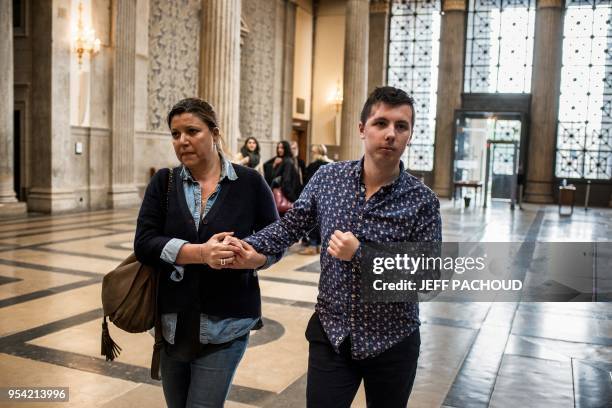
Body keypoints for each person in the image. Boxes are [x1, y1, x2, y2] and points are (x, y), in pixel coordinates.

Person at [225, 87, 441, 407]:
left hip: (392, 341)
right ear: (362, 128)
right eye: (381, 123)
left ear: (410, 134)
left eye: (401, 126)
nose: (390, 134)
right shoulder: (328, 178)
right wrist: (247, 247)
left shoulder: (422, 200)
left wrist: (361, 255)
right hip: (332, 333)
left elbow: (428, 280)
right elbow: (291, 225)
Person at [134, 98, 280, 408]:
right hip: (172, 323)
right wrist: (201, 253)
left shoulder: (250, 183)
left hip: (225, 324)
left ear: (214, 133)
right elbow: (144, 243)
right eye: (175, 134)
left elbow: (276, 239)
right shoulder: (164, 182)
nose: (182, 141)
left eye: (191, 131)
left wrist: (257, 259)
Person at [299, 144, 334, 255]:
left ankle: (313, 246)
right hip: (329, 197)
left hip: (316, 197)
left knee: (313, 222)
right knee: (323, 222)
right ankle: (320, 246)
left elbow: (308, 183)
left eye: (313, 152)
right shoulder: (331, 163)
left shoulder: (313, 166)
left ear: (316, 153)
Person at [272, 140, 303, 207]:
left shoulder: (287, 162)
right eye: (278, 148)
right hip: (285, 198)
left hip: (287, 199)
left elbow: (286, 182)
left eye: (282, 148)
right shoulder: (283, 161)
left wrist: (294, 199)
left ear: (286, 149)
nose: (279, 150)